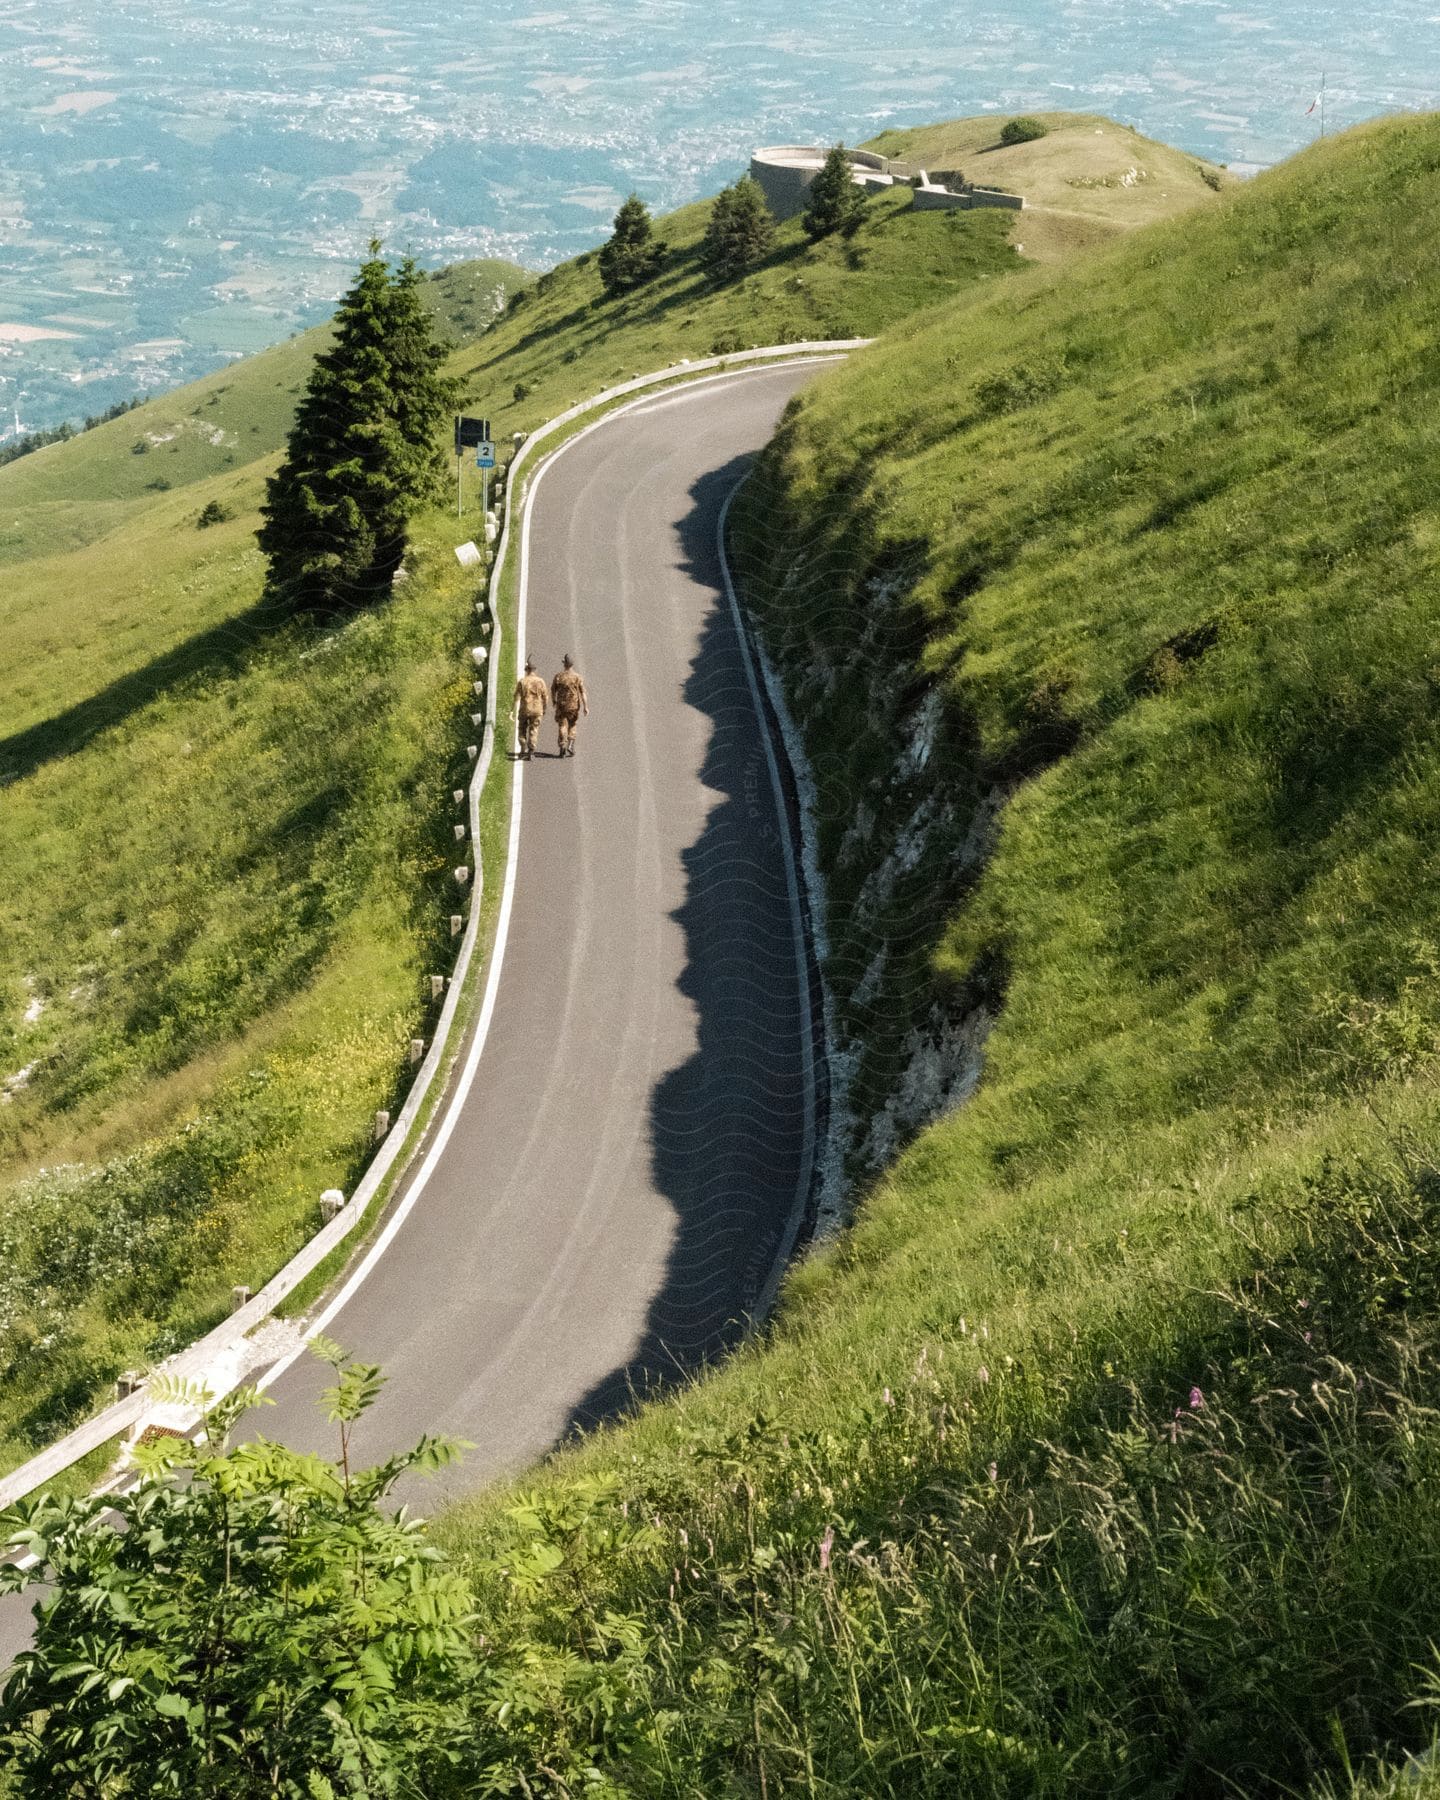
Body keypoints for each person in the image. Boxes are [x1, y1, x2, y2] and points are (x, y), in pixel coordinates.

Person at [550, 653, 589, 758]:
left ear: (564, 664)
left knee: (562, 725)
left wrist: (554, 700)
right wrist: (586, 706)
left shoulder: (558, 676)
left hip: (561, 705)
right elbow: (583, 692)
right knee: (572, 724)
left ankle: (562, 746)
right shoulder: (577, 677)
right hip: (573, 706)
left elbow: (553, 690)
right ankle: (571, 744)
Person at [513, 656, 548, 760]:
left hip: (525, 709)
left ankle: (523, 745)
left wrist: (511, 710)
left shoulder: (522, 681)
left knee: (522, 728)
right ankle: (531, 751)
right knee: (534, 729)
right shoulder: (541, 681)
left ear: (526, 670)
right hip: (537, 710)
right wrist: (544, 708)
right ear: (535, 670)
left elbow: (516, 697)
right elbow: (545, 697)